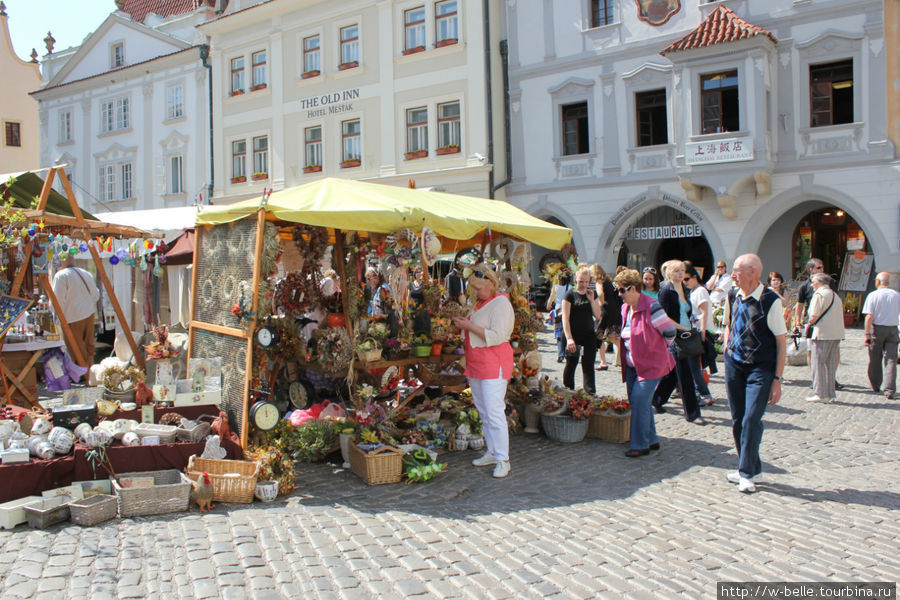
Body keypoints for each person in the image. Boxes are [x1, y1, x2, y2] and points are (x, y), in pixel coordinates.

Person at [722, 254, 787, 494]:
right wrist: (728, 346)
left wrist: (777, 380)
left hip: (761, 368)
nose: (732, 275)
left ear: (753, 272)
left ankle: (746, 473)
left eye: (737, 270)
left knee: (751, 419)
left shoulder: (771, 300)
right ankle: (752, 467)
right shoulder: (732, 295)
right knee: (739, 419)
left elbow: (781, 342)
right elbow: (728, 323)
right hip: (735, 365)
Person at [452, 266, 515, 479]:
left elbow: (498, 336)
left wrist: (468, 326)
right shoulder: (478, 305)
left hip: (493, 363)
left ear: (491, 285)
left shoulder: (501, 304)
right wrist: (463, 325)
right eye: (474, 289)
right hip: (477, 363)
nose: (476, 292)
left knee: (495, 411)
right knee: (484, 412)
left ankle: (503, 460)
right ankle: (492, 451)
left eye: (479, 288)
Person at [615, 269, 676, 458]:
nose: (619, 294)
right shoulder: (625, 308)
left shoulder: (652, 306)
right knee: (640, 403)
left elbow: (670, 333)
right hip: (633, 365)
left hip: (651, 365)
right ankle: (651, 439)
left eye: (622, 290)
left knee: (640, 401)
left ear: (633, 288)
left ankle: (639, 445)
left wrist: (654, 347)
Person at [652, 260, 705, 424]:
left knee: (673, 374)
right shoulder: (666, 292)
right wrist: (681, 327)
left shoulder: (685, 289)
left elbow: (687, 310)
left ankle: (656, 399)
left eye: (682, 270)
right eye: (676, 271)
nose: (680, 273)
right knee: (685, 374)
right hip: (673, 336)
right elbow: (664, 316)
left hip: (686, 334)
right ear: (668, 273)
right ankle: (693, 413)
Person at [51, 254, 100, 369]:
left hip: (72, 316)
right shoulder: (85, 273)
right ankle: (91, 369)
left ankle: (84, 372)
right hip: (89, 313)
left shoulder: (61, 276)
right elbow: (96, 295)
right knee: (88, 344)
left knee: (75, 346)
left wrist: (54, 314)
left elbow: (57, 300)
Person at [561, 266, 603, 394]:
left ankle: (590, 393)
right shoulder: (570, 294)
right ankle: (568, 391)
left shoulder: (592, 293)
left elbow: (598, 315)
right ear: (576, 279)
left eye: (586, 281)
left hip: (588, 334)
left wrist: (592, 301)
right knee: (571, 364)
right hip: (572, 333)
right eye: (581, 281)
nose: (583, 285)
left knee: (588, 365)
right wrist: (569, 339)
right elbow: (565, 318)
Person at [806, 273, 844, 403]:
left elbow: (813, 315)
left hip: (822, 333)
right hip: (835, 334)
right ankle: (830, 393)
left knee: (819, 363)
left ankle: (821, 393)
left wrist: (807, 323)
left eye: (813, 281)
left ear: (820, 282)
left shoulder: (820, 295)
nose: (812, 284)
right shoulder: (835, 295)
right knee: (831, 364)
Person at [862, 272, 900, 399]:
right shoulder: (896, 295)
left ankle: (875, 384)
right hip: (893, 329)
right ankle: (889, 389)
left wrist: (867, 334)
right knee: (891, 359)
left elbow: (869, 317)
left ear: (878, 282)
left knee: (875, 357)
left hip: (877, 329)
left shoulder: (873, 295)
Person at [684, 266, 715, 405]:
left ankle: (705, 394)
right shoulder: (693, 291)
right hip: (695, 331)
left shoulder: (700, 291)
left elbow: (704, 312)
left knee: (695, 365)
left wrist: (702, 331)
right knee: (694, 365)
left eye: (687, 279)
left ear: (694, 277)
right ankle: (699, 392)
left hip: (699, 332)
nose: (685, 282)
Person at [591, 263, 621, 371]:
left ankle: (603, 362)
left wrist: (600, 304)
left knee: (599, 336)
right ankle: (619, 358)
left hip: (605, 311)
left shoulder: (599, 282)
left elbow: (600, 294)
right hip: (615, 310)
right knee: (613, 337)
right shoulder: (609, 281)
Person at [545, 270, 572, 363]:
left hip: (557, 312)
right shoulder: (571, 288)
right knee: (567, 332)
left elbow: (551, 297)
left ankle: (560, 354)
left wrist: (548, 305)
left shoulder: (555, 287)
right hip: (567, 311)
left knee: (559, 334)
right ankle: (567, 352)